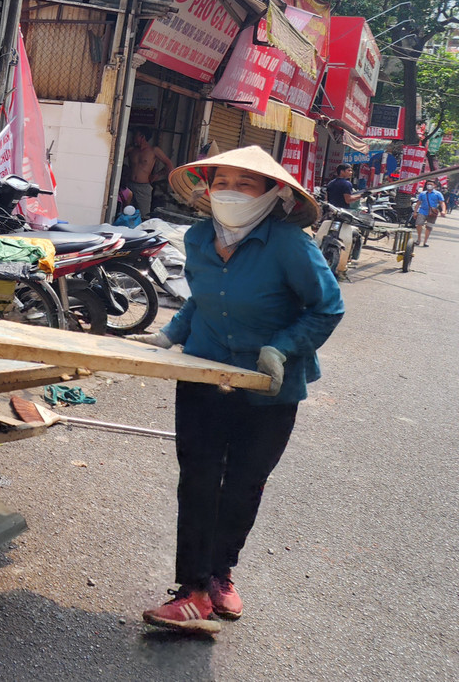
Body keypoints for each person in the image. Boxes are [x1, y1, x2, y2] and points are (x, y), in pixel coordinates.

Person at [132, 146, 343, 634]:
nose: (229, 191)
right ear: (206, 189)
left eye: (245, 184)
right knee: (198, 478)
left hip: (269, 384)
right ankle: (192, 591)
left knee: (245, 482)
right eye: (221, 181)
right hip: (205, 375)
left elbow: (327, 308)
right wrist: (170, 333)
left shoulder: (291, 245)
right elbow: (204, 301)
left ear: (273, 194)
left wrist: (284, 347)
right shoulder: (199, 236)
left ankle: (221, 573)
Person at [125, 129, 174, 220]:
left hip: (143, 186)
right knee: (126, 212)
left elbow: (169, 164)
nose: (133, 138)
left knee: (144, 214)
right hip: (130, 185)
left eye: (136, 136)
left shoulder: (153, 150)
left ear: (142, 137)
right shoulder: (132, 150)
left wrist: (158, 175)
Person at [414, 179, 445, 247]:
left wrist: (443, 210)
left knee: (429, 227)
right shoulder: (422, 194)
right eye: (428, 184)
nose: (429, 186)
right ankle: (419, 239)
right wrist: (415, 212)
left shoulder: (438, 194)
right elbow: (418, 203)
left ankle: (425, 241)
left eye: (431, 184)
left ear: (434, 185)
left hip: (432, 213)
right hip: (422, 211)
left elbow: (442, 203)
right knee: (419, 224)